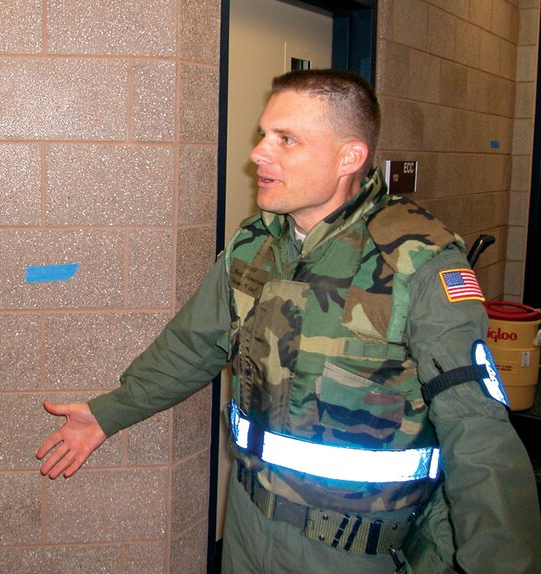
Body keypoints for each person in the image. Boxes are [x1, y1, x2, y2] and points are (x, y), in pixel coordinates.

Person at [37, 69, 541, 573]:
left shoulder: (418, 260)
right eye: (264, 134)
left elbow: (477, 429)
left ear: (349, 157)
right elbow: (193, 346)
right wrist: (109, 412)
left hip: (356, 549)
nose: (259, 152)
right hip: (249, 528)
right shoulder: (256, 242)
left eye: (286, 139)